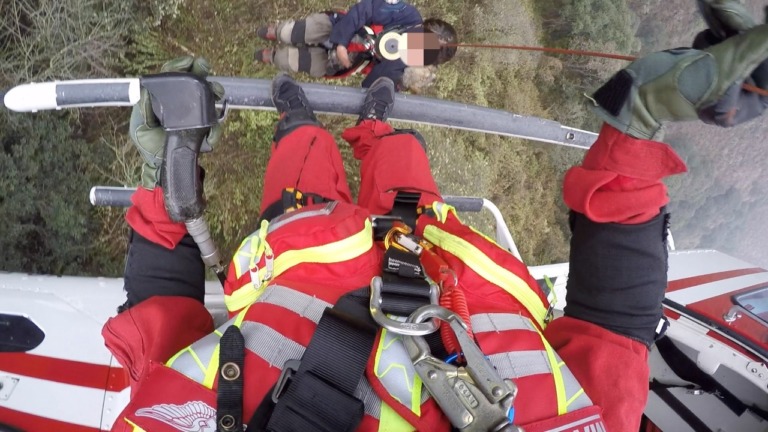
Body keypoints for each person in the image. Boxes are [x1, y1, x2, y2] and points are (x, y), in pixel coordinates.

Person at [102, 5, 768, 431]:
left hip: (301, 238)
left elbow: (161, 324)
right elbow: (615, 330)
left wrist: (167, 173)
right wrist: (637, 125)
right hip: (433, 238)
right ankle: (374, 117)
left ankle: (295, 111)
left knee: (302, 145)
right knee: (400, 153)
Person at [252, 0, 457, 92]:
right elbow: (367, 8)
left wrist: (403, 60)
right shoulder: (408, 16)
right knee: (299, 31)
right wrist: (341, 41)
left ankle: (272, 57)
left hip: (346, 63)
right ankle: (277, 31)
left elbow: (371, 86)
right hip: (341, 27)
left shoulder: (412, 73)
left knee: (294, 61)